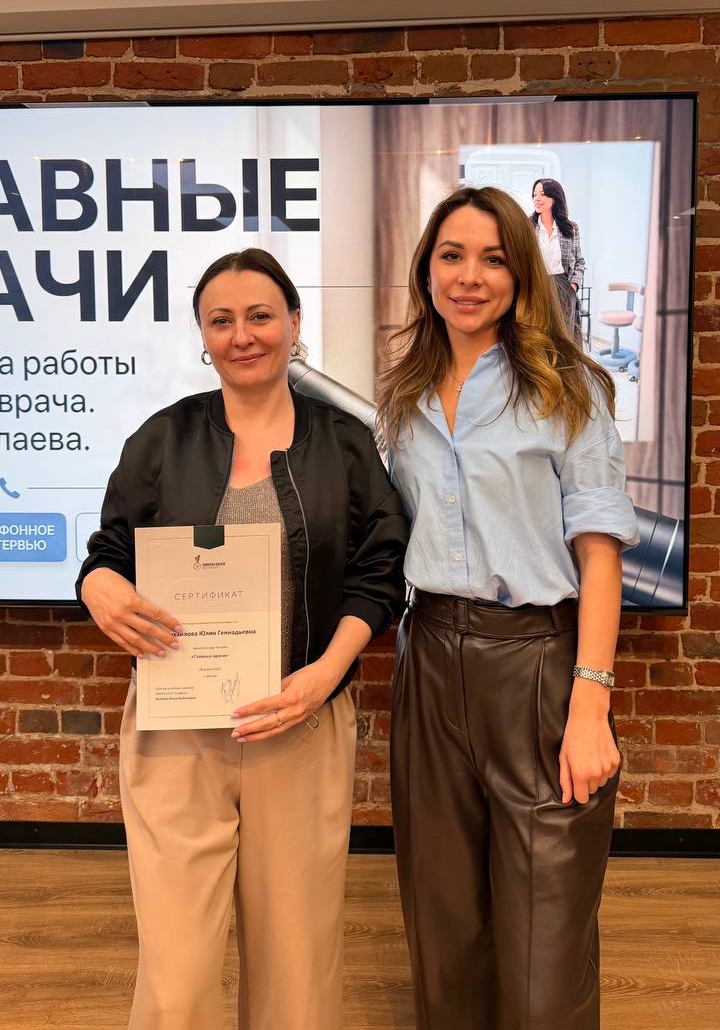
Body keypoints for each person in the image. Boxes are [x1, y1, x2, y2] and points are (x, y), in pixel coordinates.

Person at [77, 248, 408, 1030]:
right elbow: (108, 552)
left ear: (294, 323)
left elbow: (379, 573)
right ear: (203, 335)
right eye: (221, 320)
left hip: (300, 721)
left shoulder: (347, 445)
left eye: (260, 316)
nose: (242, 335)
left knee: (298, 970)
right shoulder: (161, 440)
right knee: (176, 974)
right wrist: (100, 589)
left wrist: (326, 674)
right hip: (176, 734)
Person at [378, 186, 639, 1030]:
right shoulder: (406, 395)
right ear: (426, 271)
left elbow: (599, 554)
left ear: (522, 274)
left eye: (493, 259)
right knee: (444, 935)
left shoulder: (569, 389)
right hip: (428, 658)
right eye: (452, 256)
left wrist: (590, 702)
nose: (470, 277)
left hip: (537, 666)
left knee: (543, 958)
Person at [531, 176, 585, 346]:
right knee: (539, 335)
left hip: (563, 285)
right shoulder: (527, 226)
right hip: (537, 285)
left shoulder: (570, 228)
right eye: (534, 194)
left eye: (542, 194)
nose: (537, 199)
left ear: (554, 198)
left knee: (564, 338)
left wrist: (573, 285)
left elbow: (580, 262)